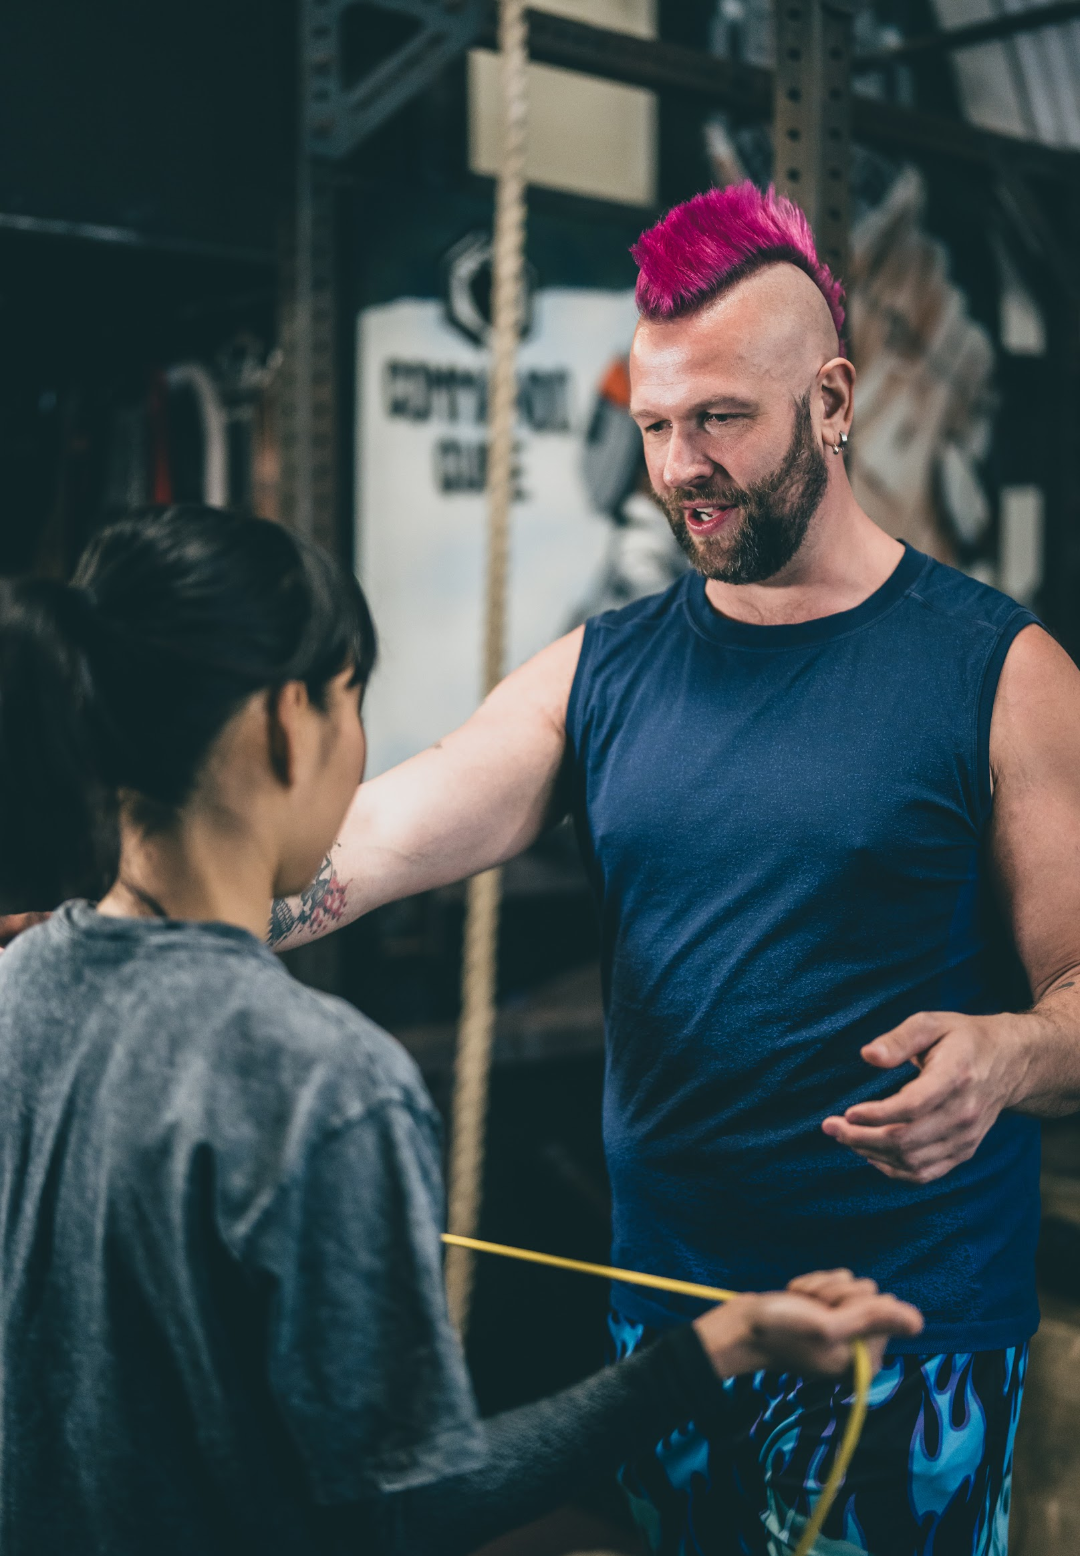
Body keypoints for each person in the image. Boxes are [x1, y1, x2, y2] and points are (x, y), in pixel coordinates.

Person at [268, 183, 1080, 1555]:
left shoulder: (1002, 674)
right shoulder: (606, 668)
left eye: (720, 419)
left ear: (831, 399)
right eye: (654, 424)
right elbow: (378, 835)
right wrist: (137, 918)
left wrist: (1008, 1054)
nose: (680, 465)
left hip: (904, 1339)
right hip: (672, 1338)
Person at [0, 505, 921, 1556]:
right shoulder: (326, 1083)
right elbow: (408, 1508)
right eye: (353, 701)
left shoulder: (18, 982)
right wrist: (715, 1347)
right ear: (284, 721)